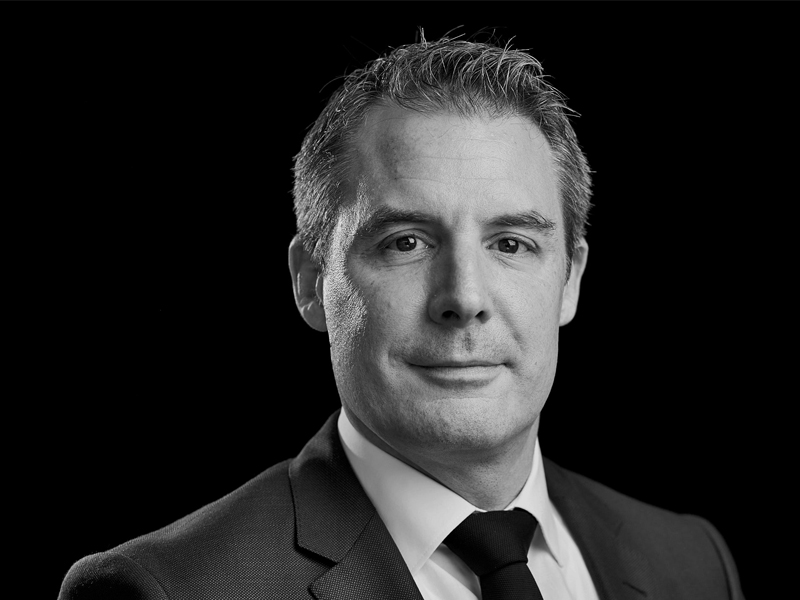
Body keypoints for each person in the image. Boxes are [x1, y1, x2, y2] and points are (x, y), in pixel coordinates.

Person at [59, 34, 744, 600]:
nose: (464, 298)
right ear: (311, 282)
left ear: (570, 279)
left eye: (511, 244)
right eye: (406, 242)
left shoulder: (691, 563)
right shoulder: (165, 589)